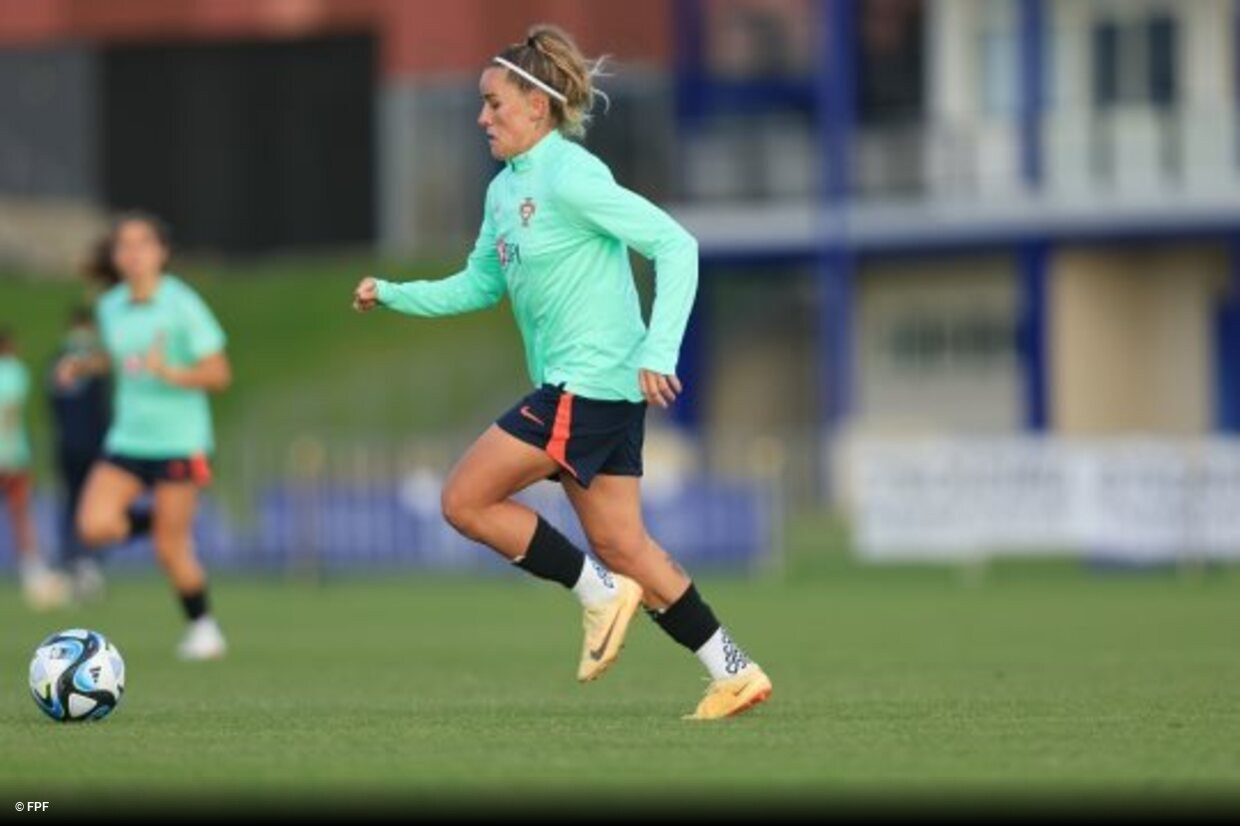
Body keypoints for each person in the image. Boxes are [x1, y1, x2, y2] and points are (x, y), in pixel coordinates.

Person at [353, 25, 771, 720]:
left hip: (589, 381)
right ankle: (733, 669)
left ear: (537, 108)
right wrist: (394, 293)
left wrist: (658, 350)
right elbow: (478, 286)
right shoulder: (502, 193)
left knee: (464, 502)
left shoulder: (571, 174)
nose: (481, 116)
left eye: (493, 103)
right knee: (623, 543)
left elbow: (676, 244)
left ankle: (597, 592)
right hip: (596, 391)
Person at [57, 212, 232, 660]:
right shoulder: (111, 305)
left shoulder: (182, 304)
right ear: (115, 256)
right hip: (129, 440)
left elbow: (219, 373)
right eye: (124, 246)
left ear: (162, 252)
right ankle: (160, 522)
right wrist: (83, 365)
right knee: (93, 525)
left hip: (180, 441)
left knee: (170, 551)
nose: (133, 254)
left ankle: (205, 628)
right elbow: (118, 359)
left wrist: (170, 371)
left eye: (142, 244)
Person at [1, 327, 69, 609]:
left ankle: (34, 574)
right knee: (20, 515)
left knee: (20, 515)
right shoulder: (15, 371)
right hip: (12, 454)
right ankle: (33, 574)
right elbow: (10, 414)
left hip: (11, 454)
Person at [47, 303, 111, 600]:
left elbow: (53, 406)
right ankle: (84, 563)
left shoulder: (57, 360)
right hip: (91, 445)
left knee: (75, 504)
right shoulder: (96, 364)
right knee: (86, 505)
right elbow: (103, 408)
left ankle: (75, 562)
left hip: (67, 444)